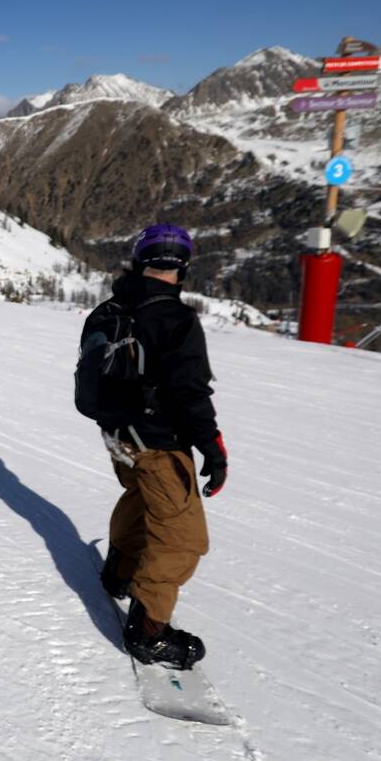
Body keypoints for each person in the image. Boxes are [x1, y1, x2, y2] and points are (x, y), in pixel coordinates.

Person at [79, 223, 226, 669]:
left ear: (139, 259)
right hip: (158, 443)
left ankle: (119, 571)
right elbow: (190, 392)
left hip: (118, 437)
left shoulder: (107, 311)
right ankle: (148, 634)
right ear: (182, 267)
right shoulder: (176, 320)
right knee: (183, 538)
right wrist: (212, 448)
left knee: (143, 497)